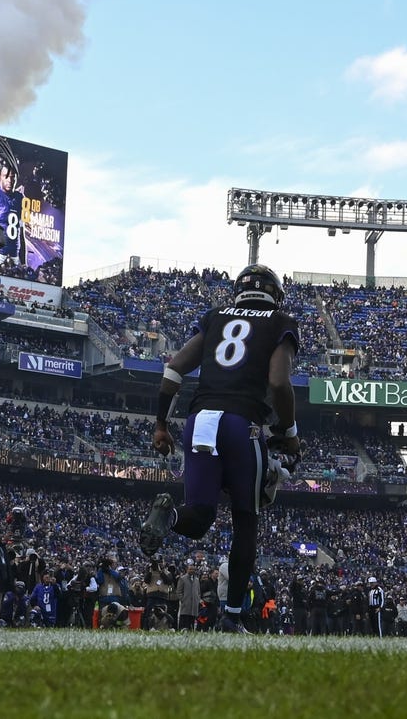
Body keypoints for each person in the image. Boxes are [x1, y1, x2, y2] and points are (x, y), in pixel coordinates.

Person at [142, 264, 300, 634]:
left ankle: (170, 518)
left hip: (201, 421)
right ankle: (231, 617)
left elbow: (173, 370)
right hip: (241, 423)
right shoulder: (279, 322)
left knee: (198, 517)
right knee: (246, 521)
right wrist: (288, 430)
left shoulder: (214, 317)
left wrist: (161, 424)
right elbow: (278, 381)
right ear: (274, 296)